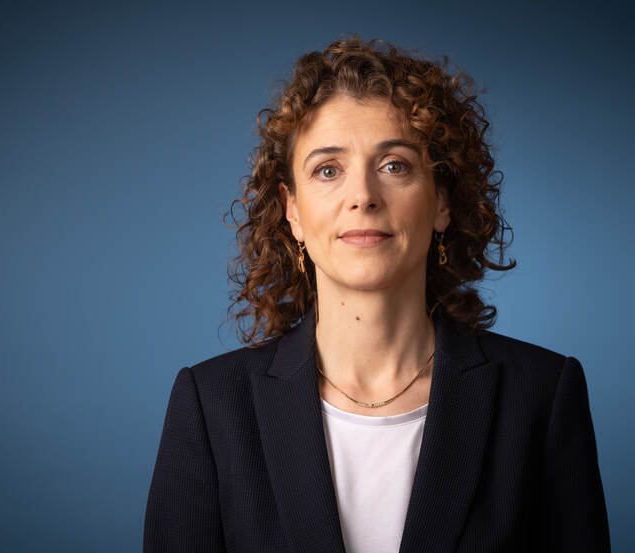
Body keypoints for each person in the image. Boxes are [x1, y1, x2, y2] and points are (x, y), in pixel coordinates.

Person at [143, 36, 611, 553]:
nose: (363, 196)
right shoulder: (210, 405)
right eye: (328, 170)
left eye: (395, 165)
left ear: (441, 202)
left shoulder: (542, 394)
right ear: (292, 210)